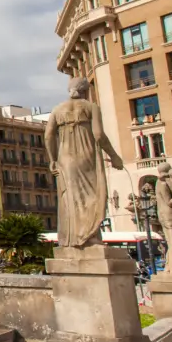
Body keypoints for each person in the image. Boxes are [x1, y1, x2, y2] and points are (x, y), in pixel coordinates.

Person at [44, 77, 125, 248]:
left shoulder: (57, 109)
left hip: (64, 158)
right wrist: (114, 156)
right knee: (90, 197)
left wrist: (52, 159)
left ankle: (71, 238)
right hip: (85, 154)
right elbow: (99, 135)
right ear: (86, 90)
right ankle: (89, 236)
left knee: (70, 199)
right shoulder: (91, 107)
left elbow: (48, 135)